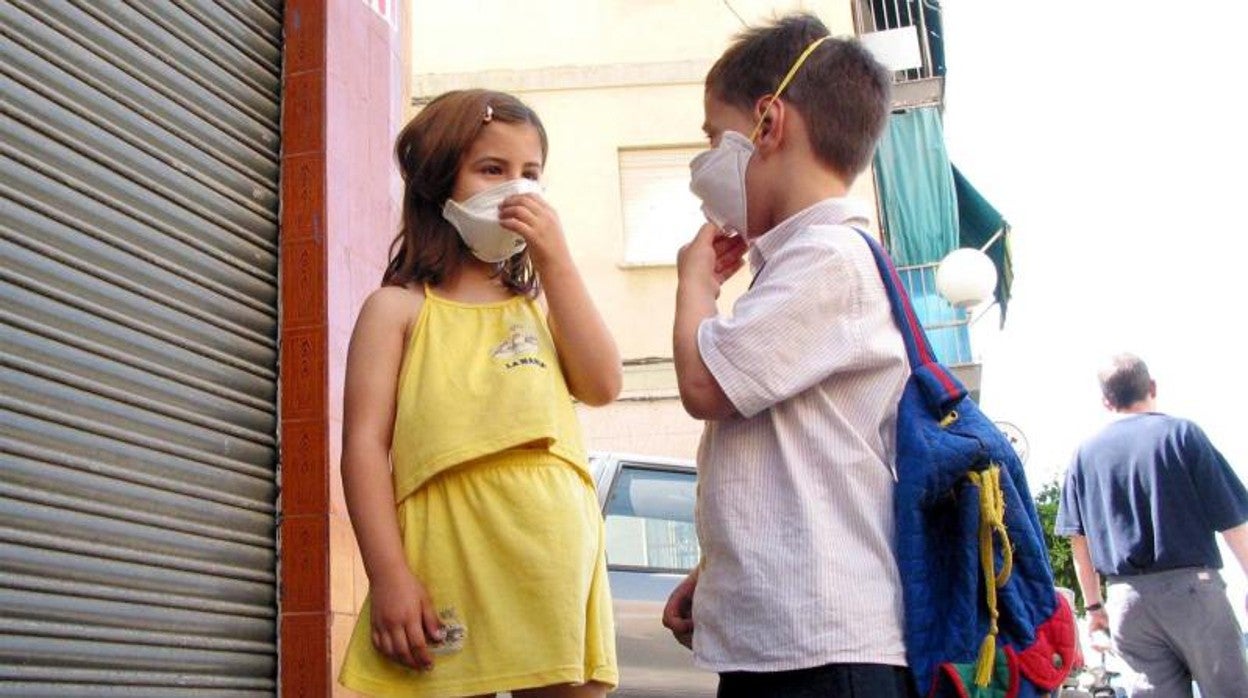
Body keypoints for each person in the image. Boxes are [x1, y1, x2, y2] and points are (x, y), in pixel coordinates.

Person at [660, 13, 919, 698]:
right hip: (798, 642)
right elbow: (795, 456)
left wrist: (694, 286)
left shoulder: (827, 258)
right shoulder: (808, 263)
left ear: (768, 123)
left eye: (714, 137)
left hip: (824, 652)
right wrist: (720, 573)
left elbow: (704, 385)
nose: (705, 163)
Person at [337, 89, 622, 698]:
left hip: (551, 548)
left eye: (531, 174)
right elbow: (363, 447)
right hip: (446, 547)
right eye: (492, 169)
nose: (516, 189)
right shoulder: (397, 310)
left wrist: (557, 262)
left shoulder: (540, 304)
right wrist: (387, 575)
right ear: (439, 180)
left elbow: (603, 383)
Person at [1055, 353, 1248, 697]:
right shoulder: (1182, 434)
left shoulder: (1084, 455)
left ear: (1106, 400)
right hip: (1192, 591)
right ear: (1153, 387)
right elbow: (1232, 520)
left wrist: (1095, 607)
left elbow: (1079, 543)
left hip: (1126, 601)